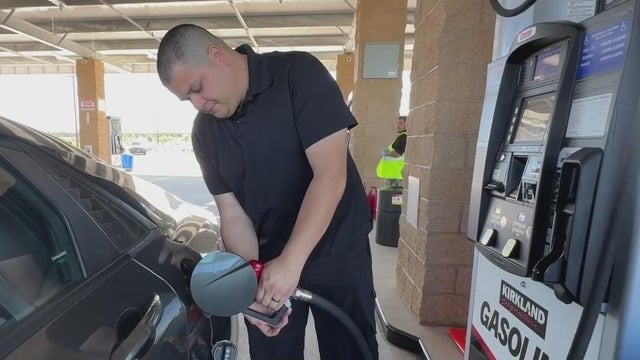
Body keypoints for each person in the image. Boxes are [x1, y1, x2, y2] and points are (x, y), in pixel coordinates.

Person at [156, 24, 378, 360]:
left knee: (349, 349)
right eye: (188, 98)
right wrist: (247, 285)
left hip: (338, 248)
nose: (198, 104)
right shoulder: (205, 133)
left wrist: (292, 261)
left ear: (217, 56)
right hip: (268, 258)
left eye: (198, 88)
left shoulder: (297, 75)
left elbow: (330, 176)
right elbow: (233, 214)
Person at [376, 115, 407, 187]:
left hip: (395, 176)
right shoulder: (401, 136)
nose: (398, 125)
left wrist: (387, 153)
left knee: (391, 196)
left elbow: (398, 153)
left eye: (401, 123)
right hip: (394, 175)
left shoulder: (403, 137)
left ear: (406, 125)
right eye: (397, 123)